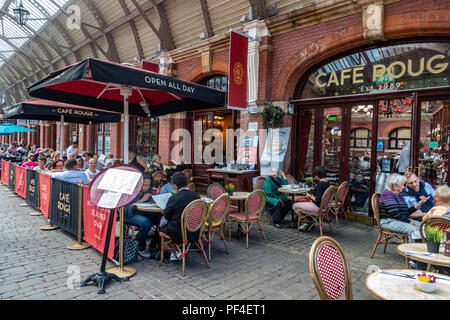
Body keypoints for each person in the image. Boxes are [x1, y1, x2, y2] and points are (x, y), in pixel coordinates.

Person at [378, 173, 429, 243]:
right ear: (395, 186)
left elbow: (405, 211)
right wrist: (409, 222)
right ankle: (412, 251)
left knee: (423, 227)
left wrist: (417, 205)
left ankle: (423, 248)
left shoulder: (398, 194)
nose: (404, 187)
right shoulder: (387, 195)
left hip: (397, 220)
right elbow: (395, 214)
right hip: (388, 221)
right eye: (402, 185)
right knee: (414, 230)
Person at [160, 172, 201, 246]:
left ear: (175, 185)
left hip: (179, 233)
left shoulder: (174, 198)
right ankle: (181, 250)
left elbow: (166, 217)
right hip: (194, 231)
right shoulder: (197, 196)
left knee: (160, 226)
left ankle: (175, 251)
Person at [124, 173, 155, 258]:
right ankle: (141, 248)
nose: (146, 187)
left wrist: (154, 200)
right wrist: (142, 200)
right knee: (146, 223)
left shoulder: (149, 190)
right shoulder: (131, 191)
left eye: (148, 185)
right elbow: (128, 209)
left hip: (142, 213)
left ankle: (154, 245)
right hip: (129, 215)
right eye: (144, 185)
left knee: (160, 219)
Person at [293, 166, 331, 232]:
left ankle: (308, 222)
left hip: (317, 207)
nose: (315, 177)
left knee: (294, 205)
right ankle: (308, 221)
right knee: (303, 203)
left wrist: (310, 196)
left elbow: (317, 199)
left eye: (315, 175)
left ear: (317, 175)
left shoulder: (320, 184)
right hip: (324, 207)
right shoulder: (327, 183)